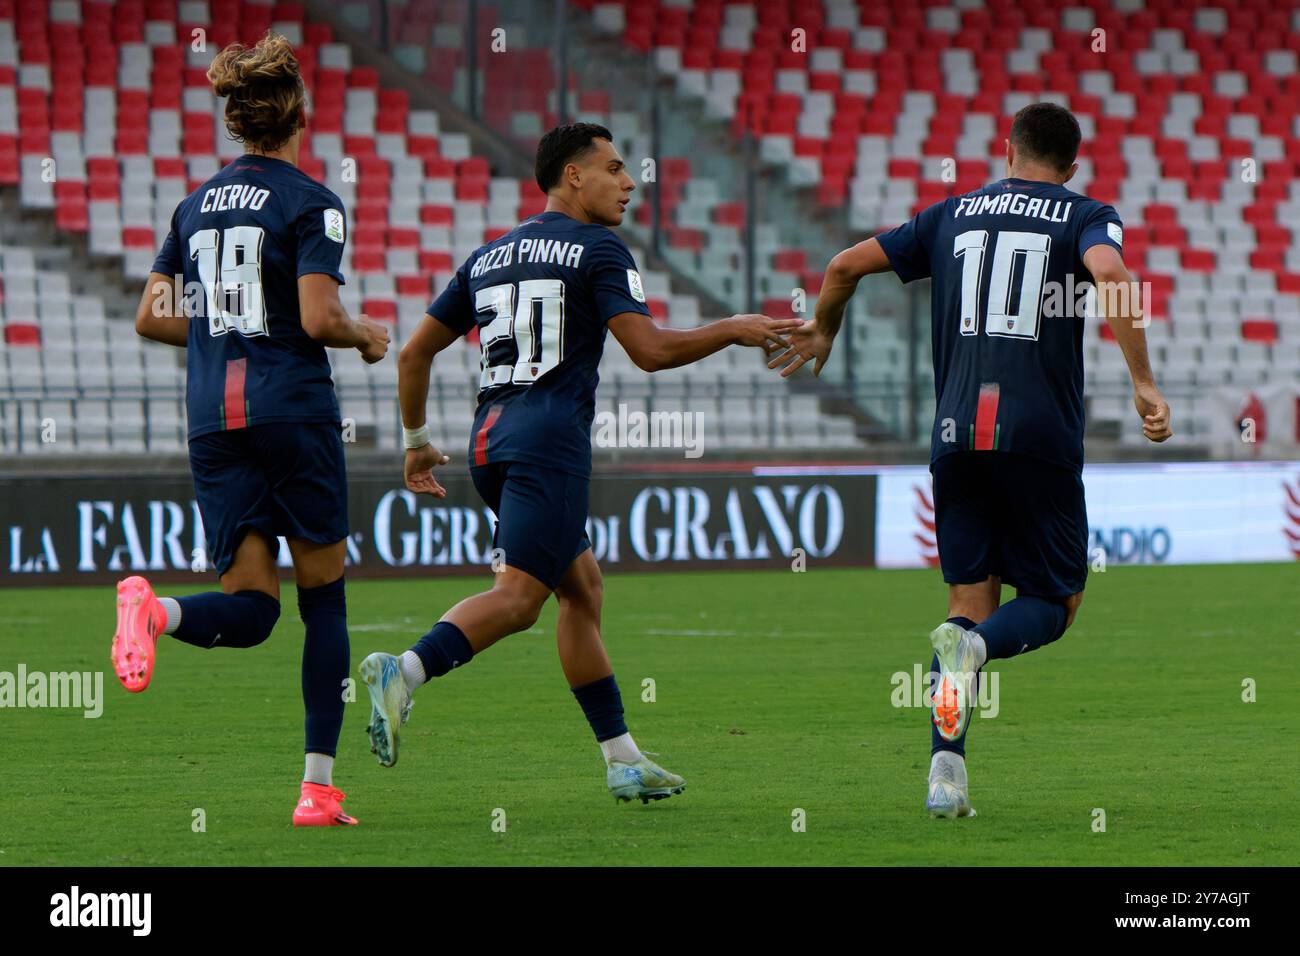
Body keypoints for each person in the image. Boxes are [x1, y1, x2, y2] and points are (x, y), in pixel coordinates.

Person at [358, 122, 796, 804]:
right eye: (616, 169)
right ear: (573, 176)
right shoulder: (599, 248)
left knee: (582, 591)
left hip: (488, 441)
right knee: (520, 600)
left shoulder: (490, 255)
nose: (629, 184)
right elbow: (648, 351)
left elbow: (414, 353)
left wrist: (416, 439)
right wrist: (732, 328)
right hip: (548, 441)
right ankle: (404, 670)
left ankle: (622, 758)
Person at [771, 102, 1173, 818]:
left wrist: (824, 330)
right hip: (1039, 436)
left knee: (962, 610)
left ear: (1007, 148)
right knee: (1054, 602)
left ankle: (945, 777)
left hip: (956, 436)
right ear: (1072, 166)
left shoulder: (947, 215)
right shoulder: (1084, 212)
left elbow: (841, 265)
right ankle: (983, 651)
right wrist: (1144, 381)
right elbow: (1111, 273)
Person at [113, 32, 390, 826]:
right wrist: (366, 334)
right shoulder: (312, 202)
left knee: (254, 607)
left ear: (237, 120)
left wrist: (219, 332)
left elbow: (149, 314)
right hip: (292, 411)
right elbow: (317, 315)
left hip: (213, 422)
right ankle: (316, 791)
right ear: (298, 116)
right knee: (324, 602)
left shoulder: (193, 204)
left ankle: (156, 614)